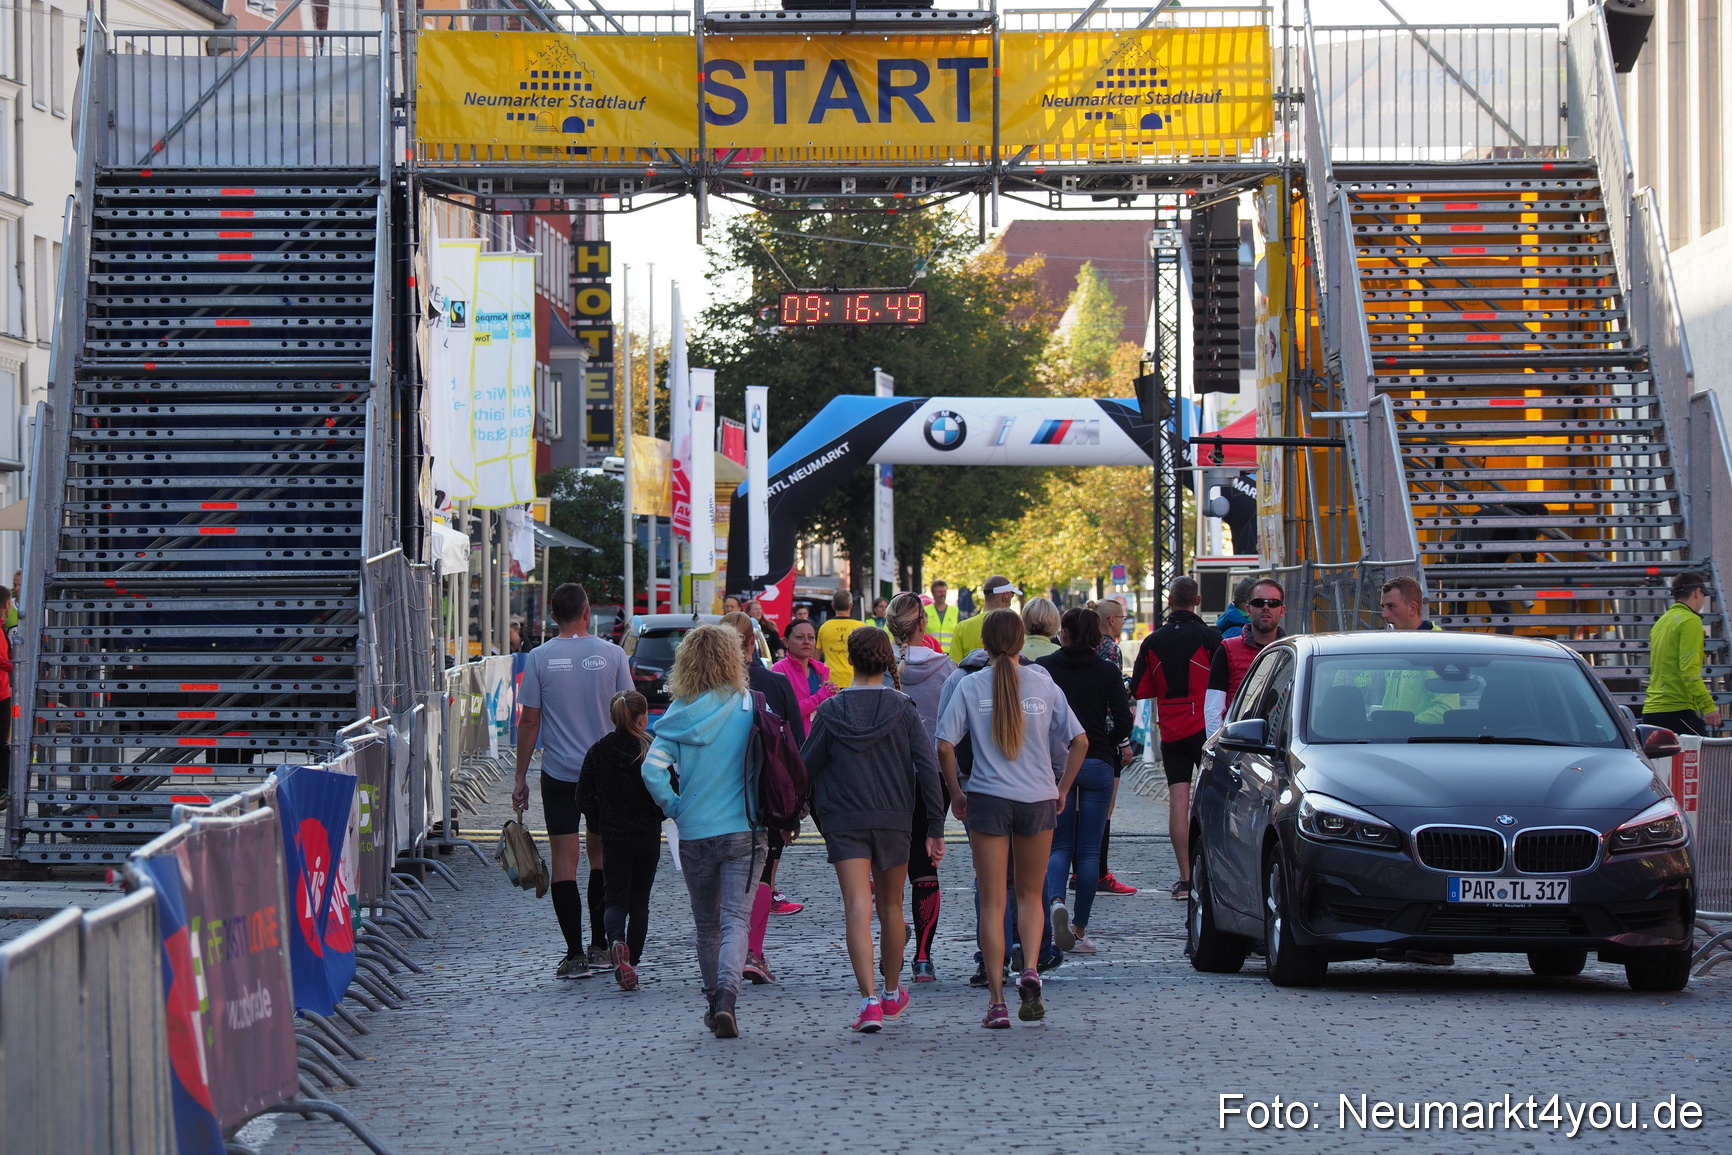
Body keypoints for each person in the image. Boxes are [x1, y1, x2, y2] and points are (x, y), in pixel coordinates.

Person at [937, 609, 1087, 1028]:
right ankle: (1031, 969)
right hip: (1038, 798)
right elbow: (1080, 740)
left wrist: (956, 792)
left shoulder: (969, 685)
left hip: (987, 799)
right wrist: (1062, 788)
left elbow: (945, 745)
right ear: (1022, 642)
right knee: (1030, 895)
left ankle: (998, 1001)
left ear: (983, 644)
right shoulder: (1044, 683)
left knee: (992, 900)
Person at [802, 627, 946, 1031]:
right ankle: (891, 992)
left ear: (849, 658)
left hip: (845, 819)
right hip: (894, 820)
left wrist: (790, 814)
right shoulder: (903, 708)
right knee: (891, 909)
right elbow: (927, 769)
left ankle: (867, 1002)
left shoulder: (830, 711)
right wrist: (935, 824)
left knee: (856, 909)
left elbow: (804, 768)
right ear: (887, 661)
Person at [640, 625, 766, 1039]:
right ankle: (728, 997)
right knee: (735, 920)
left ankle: (714, 1001)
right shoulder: (748, 706)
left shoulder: (678, 714)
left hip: (694, 833)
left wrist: (675, 807)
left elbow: (652, 769)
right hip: (743, 829)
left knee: (706, 925)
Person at [513, 583, 633, 979]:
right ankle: (601, 945)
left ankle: (574, 953)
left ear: (552, 615)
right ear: (587, 612)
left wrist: (520, 777)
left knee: (566, 861)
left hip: (560, 772)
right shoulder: (613, 654)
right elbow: (631, 715)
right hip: (604, 773)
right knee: (600, 859)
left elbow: (529, 720)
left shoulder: (539, 657)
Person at [1037, 608, 1131, 960]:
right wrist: (1108, 739)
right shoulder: (1107, 670)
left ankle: (1056, 900)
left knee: (1058, 845)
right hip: (1096, 759)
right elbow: (1123, 720)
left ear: (1064, 632)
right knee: (1089, 852)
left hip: (1058, 763)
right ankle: (1078, 930)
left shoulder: (1045, 667)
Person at [722, 610, 806, 981]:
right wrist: (797, 807)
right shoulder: (774, 683)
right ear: (754, 643)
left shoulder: (703, 687)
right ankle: (753, 952)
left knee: (723, 878)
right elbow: (797, 749)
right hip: (768, 797)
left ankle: (725, 954)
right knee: (762, 874)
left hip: (720, 797)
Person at [1130, 577, 1222, 901]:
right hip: (1206, 730)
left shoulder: (1153, 641)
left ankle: (1185, 880)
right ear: (1197, 600)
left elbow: (1140, 689)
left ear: (1169, 600)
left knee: (1178, 802)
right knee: (1215, 802)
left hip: (1171, 728)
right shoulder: (1211, 637)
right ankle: (1215, 876)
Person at [886, 592, 956, 981]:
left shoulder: (880, 669)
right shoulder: (947, 670)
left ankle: (893, 943)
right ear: (924, 624)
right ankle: (924, 956)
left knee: (892, 863)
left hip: (888, 779)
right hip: (933, 777)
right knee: (926, 860)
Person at [575, 691, 664, 991]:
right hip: (647, 835)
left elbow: (583, 796)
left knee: (614, 899)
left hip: (613, 837)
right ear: (642, 718)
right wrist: (658, 815)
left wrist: (601, 821)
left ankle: (615, 942)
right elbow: (668, 788)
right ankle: (633, 960)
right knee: (639, 900)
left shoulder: (598, 751)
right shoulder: (650, 749)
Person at [1643, 571, 1723, 735]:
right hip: (1677, 710)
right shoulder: (1690, 620)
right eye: (1703, 596)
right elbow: (1689, 671)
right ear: (1697, 592)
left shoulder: (1662, 622)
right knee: (1707, 757)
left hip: (1652, 712)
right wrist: (1708, 706)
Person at [1204, 577, 1287, 735]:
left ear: (1282, 610)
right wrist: (1218, 750)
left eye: (1273, 603)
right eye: (1258, 602)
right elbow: (1213, 710)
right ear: (1248, 609)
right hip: (1237, 746)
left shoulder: (1293, 652)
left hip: (1281, 749)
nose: (1266, 607)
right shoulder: (1226, 650)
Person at [772, 618, 837, 732]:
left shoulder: (821, 670)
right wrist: (820, 696)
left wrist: (834, 697)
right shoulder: (779, 669)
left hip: (819, 739)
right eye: (799, 637)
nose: (806, 641)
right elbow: (787, 712)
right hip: (793, 741)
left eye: (811, 637)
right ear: (786, 642)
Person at [949, 576, 1019, 662]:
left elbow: (954, 665)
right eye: (1011, 597)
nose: (1010, 603)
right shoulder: (1014, 625)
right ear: (1005, 597)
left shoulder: (962, 628)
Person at [817, 589, 866, 687]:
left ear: (833, 606)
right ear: (851, 605)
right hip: (856, 680)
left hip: (830, 681)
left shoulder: (824, 627)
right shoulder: (862, 627)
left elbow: (816, 659)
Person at [1216, 576, 1257, 640]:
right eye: (1259, 602)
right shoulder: (1239, 634)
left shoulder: (1232, 622)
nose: (1266, 607)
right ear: (1247, 605)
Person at [925, 580, 959, 653]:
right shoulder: (925, 611)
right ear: (933, 593)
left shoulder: (955, 611)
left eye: (944, 591)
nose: (943, 594)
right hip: (931, 654)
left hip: (950, 654)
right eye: (940, 592)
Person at [1094, 595, 1127, 670]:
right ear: (1112, 620)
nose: (1123, 622)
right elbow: (1113, 680)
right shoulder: (1112, 649)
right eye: (1122, 618)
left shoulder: (1088, 644)